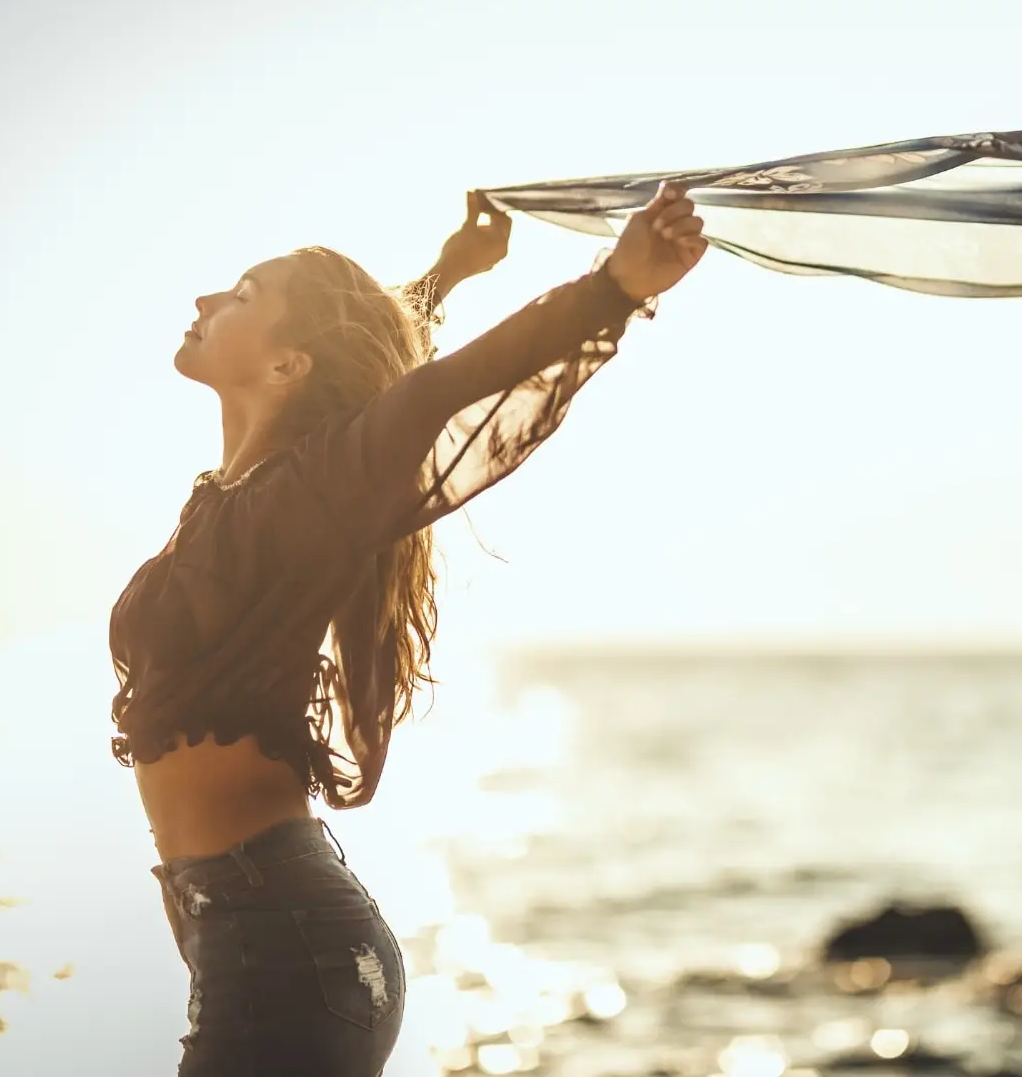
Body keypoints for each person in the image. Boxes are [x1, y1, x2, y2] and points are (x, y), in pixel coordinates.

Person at [105, 185, 708, 1075]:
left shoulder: (312, 490)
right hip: (254, 935)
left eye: (239, 297)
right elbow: (359, 361)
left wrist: (613, 286)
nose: (204, 303)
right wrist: (444, 277)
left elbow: (436, 392)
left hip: (282, 943)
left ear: (285, 366)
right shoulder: (245, 494)